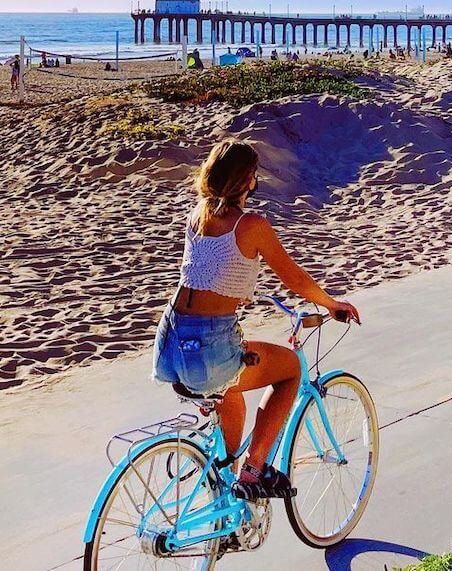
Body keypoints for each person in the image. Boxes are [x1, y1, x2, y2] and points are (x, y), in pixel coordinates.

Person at [152, 140, 360, 500]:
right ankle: (254, 471)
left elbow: (208, 271)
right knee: (291, 367)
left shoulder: (198, 213)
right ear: (249, 180)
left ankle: (226, 496)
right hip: (209, 345)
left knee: (231, 394)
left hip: (171, 339)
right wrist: (330, 304)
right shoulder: (251, 225)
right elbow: (293, 277)